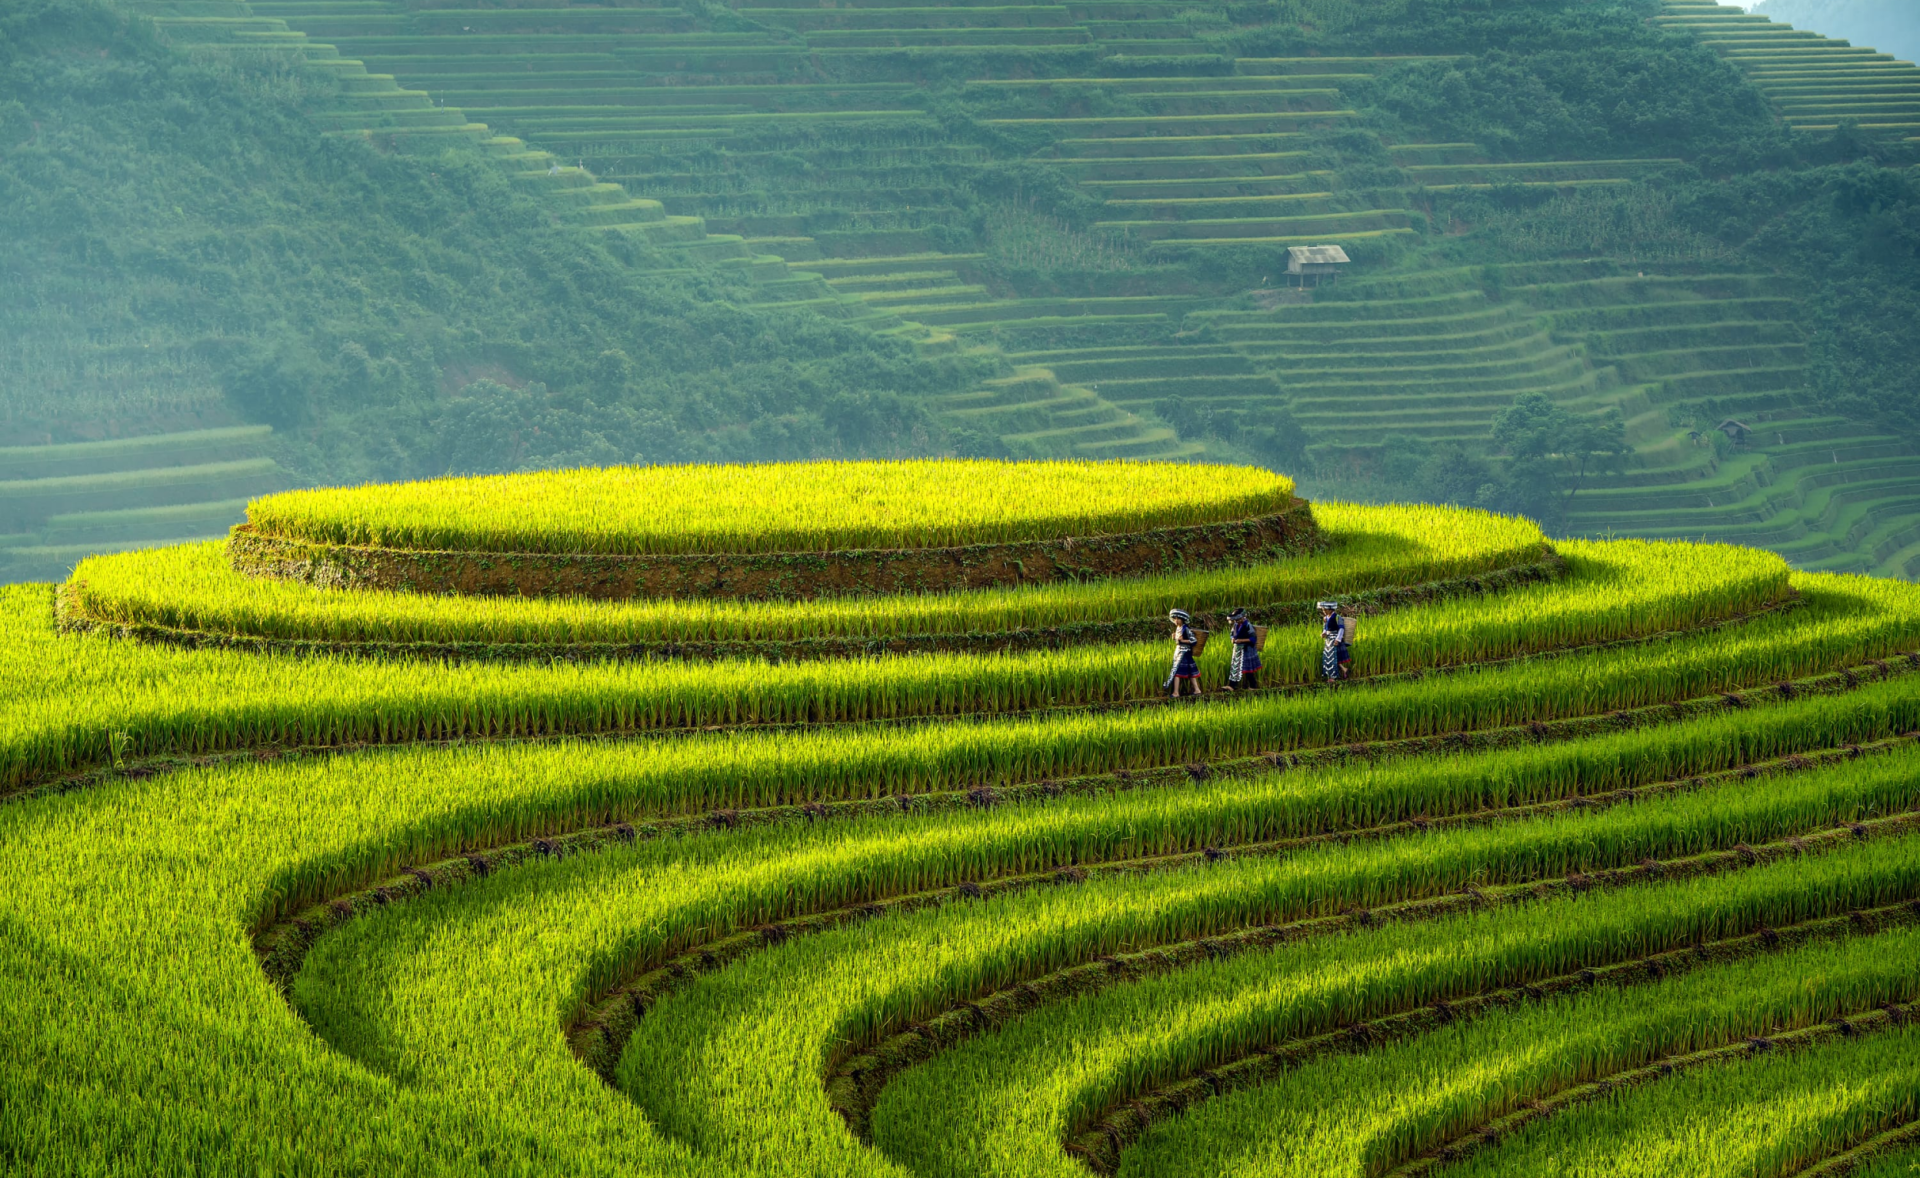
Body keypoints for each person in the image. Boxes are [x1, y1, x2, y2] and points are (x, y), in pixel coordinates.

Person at [1166, 609, 1202, 697]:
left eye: (1178, 619)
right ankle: (1197, 690)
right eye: (1175, 619)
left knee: (1177, 672)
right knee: (1189, 672)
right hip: (1178, 652)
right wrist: (1174, 637)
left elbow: (1193, 641)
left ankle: (1176, 692)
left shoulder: (1186, 629)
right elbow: (1178, 641)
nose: (1176, 620)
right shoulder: (1178, 628)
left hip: (1185, 653)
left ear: (1182, 619)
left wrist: (1183, 640)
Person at [1224, 606, 1260, 691]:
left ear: (1243, 617)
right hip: (1237, 649)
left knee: (1247, 669)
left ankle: (1253, 686)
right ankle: (1232, 686)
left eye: (1239, 619)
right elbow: (1232, 634)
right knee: (1235, 667)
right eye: (1236, 620)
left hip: (1247, 649)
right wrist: (1232, 638)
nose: (1237, 621)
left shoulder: (1248, 625)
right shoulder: (1236, 625)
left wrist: (1241, 640)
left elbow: (1253, 639)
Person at [1318, 601, 1353, 682]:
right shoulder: (1326, 618)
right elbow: (1325, 628)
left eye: (1325, 609)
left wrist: (1338, 639)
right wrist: (1323, 633)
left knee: (1332, 657)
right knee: (1328, 657)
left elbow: (1341, 629)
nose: (1324, 611)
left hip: (1334, 638)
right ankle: (1343, 670)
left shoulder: (1337, 617)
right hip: (1328, 639)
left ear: (1330, 609)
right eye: (1323, 609)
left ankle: (1333, 677)